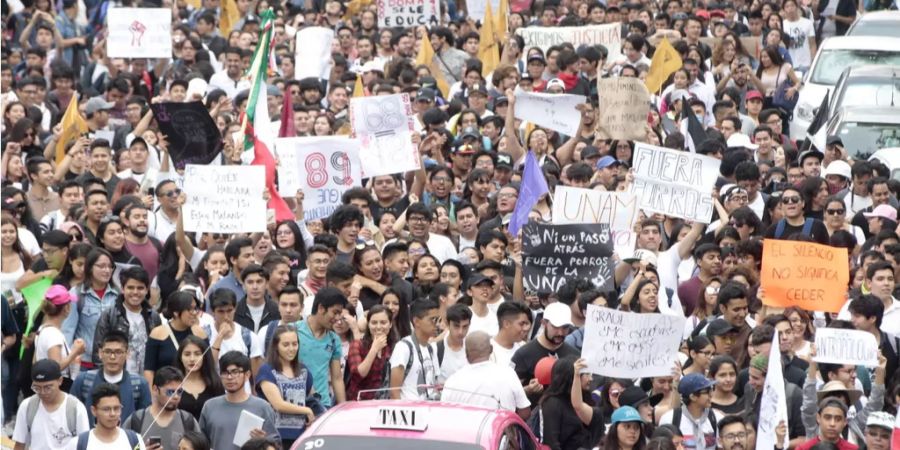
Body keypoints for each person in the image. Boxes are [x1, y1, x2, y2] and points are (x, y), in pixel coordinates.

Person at [256, 325, 321, 449]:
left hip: (302, 436)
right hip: (276, 436)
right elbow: (278, 405)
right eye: (286, 345)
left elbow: (311, 398)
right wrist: (306, 411)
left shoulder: (303, 370)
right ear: (276, 346)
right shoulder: (267, 370)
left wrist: (314, 416)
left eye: (295, 344)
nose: (291, 349)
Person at [199, 351, 280, 450]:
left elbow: (276, 444)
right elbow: (200, 443)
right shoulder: (210, 406)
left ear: (247, 375)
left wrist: (263, 441)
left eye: (235, 372)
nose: (229, 377)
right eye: (224, 373)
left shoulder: (262, 407)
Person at [441, 331, 530, 418]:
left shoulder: (452, 381)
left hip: (464, 432)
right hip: (502, 431)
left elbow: (444, 416)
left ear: (466, 353)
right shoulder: (508, 373)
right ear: (491, 349)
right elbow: (525, 412)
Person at [70, 330, 151, 426]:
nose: (112, 357)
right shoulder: (84, 380)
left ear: (127, 354)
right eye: (108, 352)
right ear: (100, 353)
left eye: (118, 352)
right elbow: (72, 416)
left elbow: (145, 421)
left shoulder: (138, 384)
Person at [92, 266, 161, 373]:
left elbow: (158, 352)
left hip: (146, 379)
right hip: (117, 377)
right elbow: (98, 351)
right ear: (122, 289)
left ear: (147, 290)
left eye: (140, 288)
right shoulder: (110, 314)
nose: (135, 292)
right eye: (130, 287)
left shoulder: (153, 316)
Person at [511, 302, 579, 406]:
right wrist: (528, 390)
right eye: (555, 327)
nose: (560, 332)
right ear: (543, 323)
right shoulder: (523, 354)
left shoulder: (574, 355)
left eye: (565, 327)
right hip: (533, 417)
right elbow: (510, 393)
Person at [13, 359, 89, 450]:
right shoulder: (27, 406)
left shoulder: (75, 408)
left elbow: (85, 445)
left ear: (60, 381)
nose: (43, 392)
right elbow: (19, 444)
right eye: (37, 388)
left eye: (48, 387)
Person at [122, 366, 201, 450]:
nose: (176, 396)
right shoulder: (136, 420)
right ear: (155, 389)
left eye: (179, 391)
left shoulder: (188, 421)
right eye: (170, 392)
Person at [297, 286, 347, 408]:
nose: (337, 319)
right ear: (320, 308)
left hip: (322, 404)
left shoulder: (334, 339)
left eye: (340, 313)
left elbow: (337, 378)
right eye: (335, 312)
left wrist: (343, 408)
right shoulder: (293, 330)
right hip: (295, 403)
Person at [539, 356, 604, 450]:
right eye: (586, 374)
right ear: (571, 376)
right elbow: (551, 443)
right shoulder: (552, 403)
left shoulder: (587, 400)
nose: (591, 379)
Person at [390, 298, 442, 400]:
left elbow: (434, 385)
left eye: (438, 319)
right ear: (416, 321)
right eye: (433, 319)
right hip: (410, 412)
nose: (437, 324)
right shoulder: (403, 347)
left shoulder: (431, 348)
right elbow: (394, 392)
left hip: (428, 410)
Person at [68, 383, 146, 449]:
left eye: (116, 408)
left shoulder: (135, 440)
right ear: (94, 411)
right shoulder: (78, 444)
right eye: (106, 409)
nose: (112, 414)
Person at [658, 373, 719, 450]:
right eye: (706, 391)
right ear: (693, 397)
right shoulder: (670, 418)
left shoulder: (716, 417)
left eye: (711, 389)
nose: (711, 394)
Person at [346, 305, 395, 401]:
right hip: (359, 402)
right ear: (368, 324)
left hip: (384, 403)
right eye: (374, 323)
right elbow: (360, 373)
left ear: (390, 324)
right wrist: (374, 349)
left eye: (383, 322)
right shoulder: (357, 345)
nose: (378, 327)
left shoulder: (394, 347)